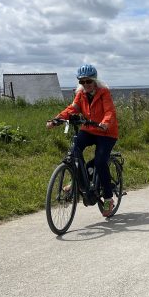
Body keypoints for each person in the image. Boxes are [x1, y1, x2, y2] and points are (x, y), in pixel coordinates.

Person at [46, 64, 119, 216]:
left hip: (106, 133)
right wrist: (56, 120)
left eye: (88, 81)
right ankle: (78, 183)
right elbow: (72, 109)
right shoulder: (80, 94)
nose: (85, 84)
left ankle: (108, 198)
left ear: (94, 81)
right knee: (74, 151)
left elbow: (109, 111)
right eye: (82, 82)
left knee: (100, 162)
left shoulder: (104, 92)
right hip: (89, 129)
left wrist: (105, 123)